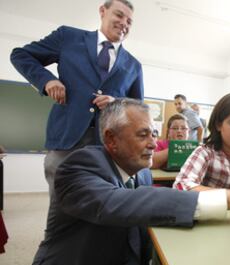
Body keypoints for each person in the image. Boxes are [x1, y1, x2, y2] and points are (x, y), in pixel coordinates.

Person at [29, 98, 230, 265]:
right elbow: (120, 203)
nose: (153, 143)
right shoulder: (78, 166)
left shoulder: (143, 173)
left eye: (154, 134)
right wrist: (228, 198)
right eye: (143, 134)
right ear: (111, 139)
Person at [10, 0, 144, 198]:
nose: (124, 23)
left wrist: (117, 103)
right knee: (61, 203)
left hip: (109, 146)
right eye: (119, 15)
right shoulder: (68, 37)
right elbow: (20, 55)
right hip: (66, 139)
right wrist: (47, 81)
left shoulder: (134, 65)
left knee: (101, 203)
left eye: (130, 21)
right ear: (102, 11)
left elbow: (138, 108)